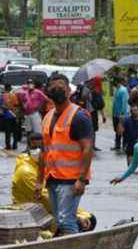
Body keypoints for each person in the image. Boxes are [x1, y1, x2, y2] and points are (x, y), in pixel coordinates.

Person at [35, 73, 94, 236]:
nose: (57, 90)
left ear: (69, 90)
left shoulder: (79, 117)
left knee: (65, 221)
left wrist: (81, 179)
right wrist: (39, 180)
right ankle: (83, 225)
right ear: (48, 91)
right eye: (53, 87)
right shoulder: (47, 117)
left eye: (61, 87)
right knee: (59, 219)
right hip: (52, 178)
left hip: (71, 180)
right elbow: (44, 151)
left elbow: (87, 149)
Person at [13, 133, 95, 234]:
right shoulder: (25, 171)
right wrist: (78, 217)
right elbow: (46, 198)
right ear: (28, 148)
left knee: (89, 219)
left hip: (44, 211)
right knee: (72, 223)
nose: (38, 150)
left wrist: (80, 214)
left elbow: (59, 196)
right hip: (34, 215)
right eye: (34, 147)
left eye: (41, 147)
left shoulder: (41, 164)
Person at [111, 78, 129, 151]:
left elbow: (124, 102)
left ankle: (124, 144)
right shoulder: (116, 90)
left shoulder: (123, 90)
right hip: (115, 113)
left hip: (121, 114)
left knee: (122, 129)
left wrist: (122, 113)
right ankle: (117, 145)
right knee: (117, 129)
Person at [88, 76, 106, 152]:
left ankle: (90, 145)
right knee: (93, 129)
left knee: (89, 129)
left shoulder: (89, 89)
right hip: (93, 112)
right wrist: (103, 115)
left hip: (86, 111)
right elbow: (101, 105)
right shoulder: (97, 91)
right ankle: (92, 145)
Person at [0, 84, 19, 150]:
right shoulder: (14, 95)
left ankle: (8, 145)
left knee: (7, 132)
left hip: (7, 115)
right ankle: (15, 145)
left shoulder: (2, 96)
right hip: (14, 115)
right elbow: (16, 104)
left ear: (5, 89)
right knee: (15, 131)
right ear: (10, 89)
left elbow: (1, 106)